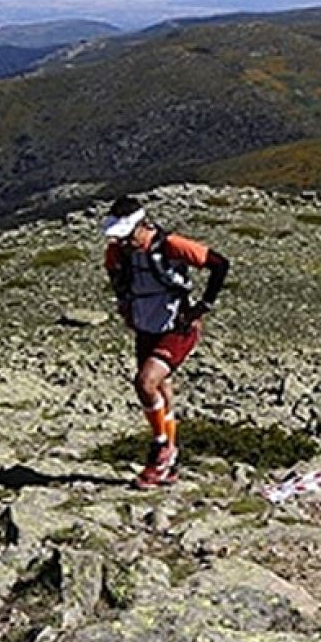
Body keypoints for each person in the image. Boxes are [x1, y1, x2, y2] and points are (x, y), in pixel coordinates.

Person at [101, 195, 230, 489]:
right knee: (161, 387)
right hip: (146, 324)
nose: (122, 242)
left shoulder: (171, 245)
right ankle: (169, 464)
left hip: (177, 325)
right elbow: (115, 277)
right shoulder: (118, 252)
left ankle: (161, 448)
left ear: (141, 226)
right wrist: (125, 307)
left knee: (146, 382)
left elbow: (219, 264)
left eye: (126, 236)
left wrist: (203, 306)